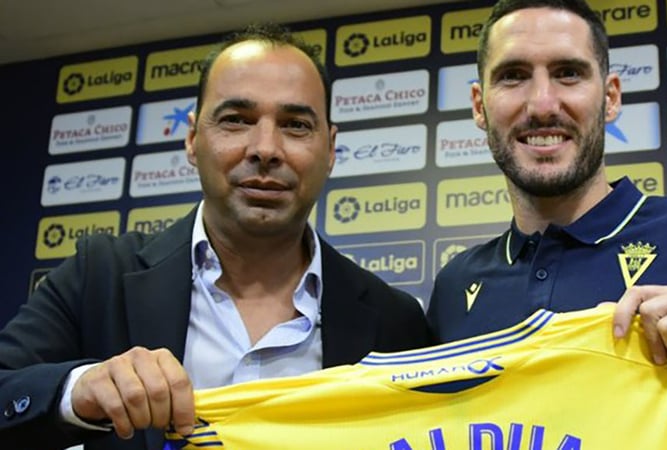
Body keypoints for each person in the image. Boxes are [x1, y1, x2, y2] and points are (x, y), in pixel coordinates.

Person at [0, 23, 430, 450]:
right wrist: (78, 390)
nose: (266, 149)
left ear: (331, 148)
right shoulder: (99, 274)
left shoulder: (395, 321)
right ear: (192, 139)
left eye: (296, 125)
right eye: (236, 120)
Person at [426, 1, 667, 449]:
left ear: (610, 97)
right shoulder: (454, 285)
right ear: (479, 105)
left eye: (568, 73)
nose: (542, 104)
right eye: (513, 76)